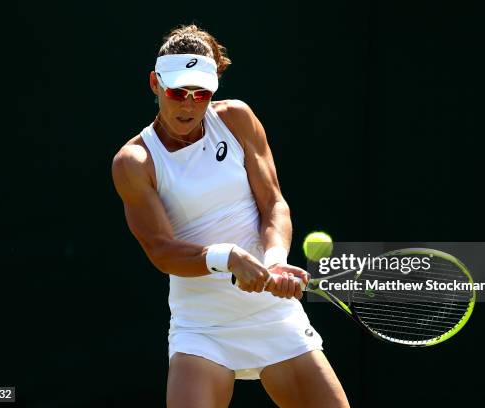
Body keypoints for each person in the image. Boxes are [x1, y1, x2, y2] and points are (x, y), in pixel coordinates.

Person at [112, 24, 350, 408]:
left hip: (272, 315)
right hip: (203, 329)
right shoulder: (134, 162)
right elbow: (160, 250)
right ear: (155, 84)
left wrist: (274, 260)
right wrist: (228, 258)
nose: (188, 105)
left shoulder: (237, 119)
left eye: (201, 93)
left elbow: (273, 204)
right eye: (177, 92)